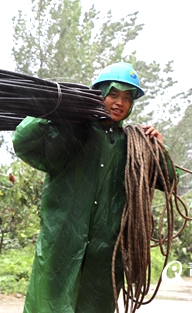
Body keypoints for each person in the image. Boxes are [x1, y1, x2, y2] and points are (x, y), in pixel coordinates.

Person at [12, 62, 165, 313]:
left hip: (105, 254)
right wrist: (52, 111)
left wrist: (159, 149)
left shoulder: (132, 146)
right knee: (49, 304)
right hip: (61, 242)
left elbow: (168, 180)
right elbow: (24, 142)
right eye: (113, 94)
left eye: (127, 98)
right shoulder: (72, 131)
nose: (119, 103)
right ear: (99, 94)